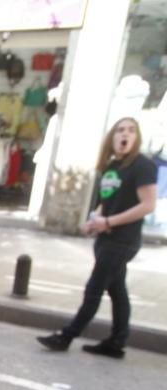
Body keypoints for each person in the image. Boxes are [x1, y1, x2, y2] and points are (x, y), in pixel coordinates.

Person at [37, 117, 157, 358]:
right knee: (117, 291)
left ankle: (67, 336)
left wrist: (109, 222)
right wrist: (95, 221)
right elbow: (107, 200)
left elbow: (148, 205)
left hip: (123, 240)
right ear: (112, 137)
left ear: (137, 138)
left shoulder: (142, 166)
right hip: (106, 237)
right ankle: (117, 341)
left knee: (94, 289)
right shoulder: (113, 167)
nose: (125, 135)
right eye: (120, 130)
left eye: (131, 131)